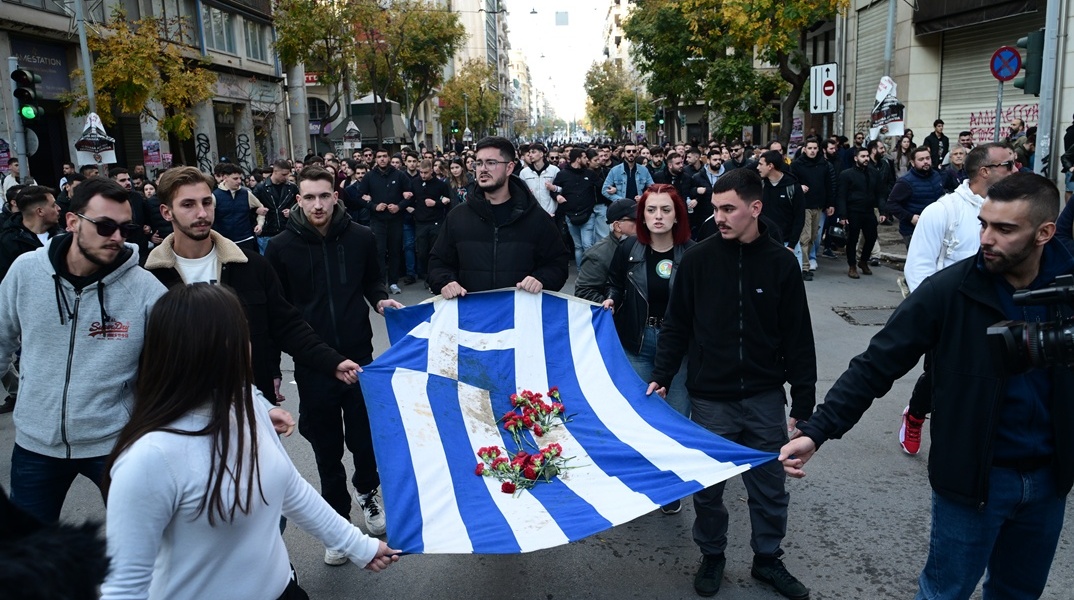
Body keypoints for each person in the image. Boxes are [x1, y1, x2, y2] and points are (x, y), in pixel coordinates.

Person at [780, 172, 1072, 600]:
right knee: (944, 593)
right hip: (972, 482)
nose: (986, 238)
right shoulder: (951, 290)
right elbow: (876, 364)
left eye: (1004, 229)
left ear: (1045, 233)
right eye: (984, 224)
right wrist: (819, 430)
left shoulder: (1067, 286)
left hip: (1049, 481)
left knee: (1018, 593)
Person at [100, 284, 400, 600]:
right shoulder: (148, 459)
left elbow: (290, 488)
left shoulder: (250, 404)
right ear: (201, 349)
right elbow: (124, 589)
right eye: (241, 337)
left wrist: (358, 545)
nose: (250, 347)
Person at [648, 167, 815, 600]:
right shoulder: (698, 260)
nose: (718, 217)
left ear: (755, 208)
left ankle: (767, 559)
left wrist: (804, 400)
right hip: (710, 401)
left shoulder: (781, 263)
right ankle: (713, 555)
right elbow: (676, 326)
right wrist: (661, 377)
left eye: (728, 209)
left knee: (769, 488)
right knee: (707, 489)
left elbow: (798, 336)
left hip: (763, 399)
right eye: (716, 208)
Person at [0, 177, 167, 523]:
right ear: (73, 222)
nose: (117, 237)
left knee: (149, 548)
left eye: (125, 227)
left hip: (115, 444)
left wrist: (247, 412)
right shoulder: (27, 272)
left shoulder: (143, 288)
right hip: (35, 444)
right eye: (105, 226)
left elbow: (186, 362)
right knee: (27, 558)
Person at [266, 167, 403, 563]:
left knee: (364, 439)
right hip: (312, 365)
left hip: (360, 358)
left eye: (324, 196)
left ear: (336, 196)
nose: (318, 204)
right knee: (325, 448)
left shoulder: (361, 237)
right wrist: (274, 367)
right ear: (298, 201)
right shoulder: (279, 246)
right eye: (309, 197)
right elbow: (276, 314)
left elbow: (373, 281)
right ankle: (337, 521)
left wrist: (380, 300)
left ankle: (366, 493)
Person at [145, 165, 361, 406]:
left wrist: (332, 361)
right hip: (180, 410)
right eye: (188, 205)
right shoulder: (150, 278)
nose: (202, 213)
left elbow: (287, 325)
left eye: (207, 202)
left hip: (252, 405)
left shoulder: (250, 266)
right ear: (166, 212)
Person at [898, 143, 1015, 455]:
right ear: (984, 171)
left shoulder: (1013, 209)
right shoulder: (942, 211)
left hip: (999, 309)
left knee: (991, 376)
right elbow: (919, 267)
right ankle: (916, 415)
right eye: (1008, 164)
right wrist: (938, 314)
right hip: (953, 313)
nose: (1015, 169)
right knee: (940, 378)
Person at [427, 136, 569, 299]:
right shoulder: (458, 217)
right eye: (478, 163)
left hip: (521, 317)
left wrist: (541, 279)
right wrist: (446, 282)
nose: (483, 169)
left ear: (509, 168)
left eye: (491, 163)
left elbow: (558, 264)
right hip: (472, 317)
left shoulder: (536, 218)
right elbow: (437, 263)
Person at [356, 148, 414, 295]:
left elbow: (410, 196)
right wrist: (374, 206)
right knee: (379, 252)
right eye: (379, 156)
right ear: (376, 159)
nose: (382, 159)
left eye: (384, 156)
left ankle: (393, 282)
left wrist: (399, 206)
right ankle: (380, 282)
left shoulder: (399, 175)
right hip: (377, 221)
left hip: (395, 219)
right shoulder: (369, 176)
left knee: (395, 251)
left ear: (389, 158)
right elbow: (359, 197)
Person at [574, 199, 636, 304]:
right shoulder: (597, 254)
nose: (644, 223)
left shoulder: (643, 246)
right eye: (636, 220)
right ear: (617, 226)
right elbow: (584, 291)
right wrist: (612, 305)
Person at [837, 147, 886, 279]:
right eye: (862, 156)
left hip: (869, 210)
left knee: (871, 237)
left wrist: (883, 211)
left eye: (867, 156)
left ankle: (863, 261)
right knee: (852, 239)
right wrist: (842, 215)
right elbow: (841, 196)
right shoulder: (846, 174)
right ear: (855, 158)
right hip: (853, 211)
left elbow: (880, 193)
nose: (866, 159)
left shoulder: (873, 173)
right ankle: (852, 265)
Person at [790, 138, 835, 280]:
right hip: (803, 205)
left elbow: (829, 185)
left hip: (819, 205)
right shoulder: (797, 165)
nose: (812, 151)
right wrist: (799, 187)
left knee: (814, 237)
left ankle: (806, 262)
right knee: (805, 236)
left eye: (815, 148)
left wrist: (830, 204)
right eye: (810, 148)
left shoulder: (824, 165)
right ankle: (803, 267)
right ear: (804, 149)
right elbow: (791, 182)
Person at [553, 148, 601, 267]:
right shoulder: (562, 174)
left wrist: (612, 189)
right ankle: (581, 273)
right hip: (570, 215)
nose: (587, 160)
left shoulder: (590, 174)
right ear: (578, 159)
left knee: (587, 245)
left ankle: (589, 272)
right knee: (578, 246)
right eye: (584, 157)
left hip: (588, 214)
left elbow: (602, 186)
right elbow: (555, 189)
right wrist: (557, 196)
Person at [888, 146, 944, 248]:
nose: (925, 162)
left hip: (934, 228)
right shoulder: (905, 182)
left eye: (928, 158)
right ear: (913, 163)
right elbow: (892, 204)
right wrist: (910, 217)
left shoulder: (936, 175)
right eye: (921, 159)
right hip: (913, 231)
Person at [212, 164, 266, 254]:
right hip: (225, 242)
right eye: (235, 178)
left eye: (240, 178)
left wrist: (260, 224)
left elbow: (261, 209)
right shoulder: (214, 196)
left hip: (246, 239)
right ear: (225, 177)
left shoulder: (246, 193)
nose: (239, 181)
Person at [252, 159, 298, 255]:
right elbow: (249, 207)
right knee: (267, 263)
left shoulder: (292, 188)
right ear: (275, 171)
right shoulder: (261, 188)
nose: (286, 177)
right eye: (283, 174)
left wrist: (292, 211)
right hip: (267, 231)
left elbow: (300, 204)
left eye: (288, 174)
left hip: (287, 230)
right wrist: (257, 210)